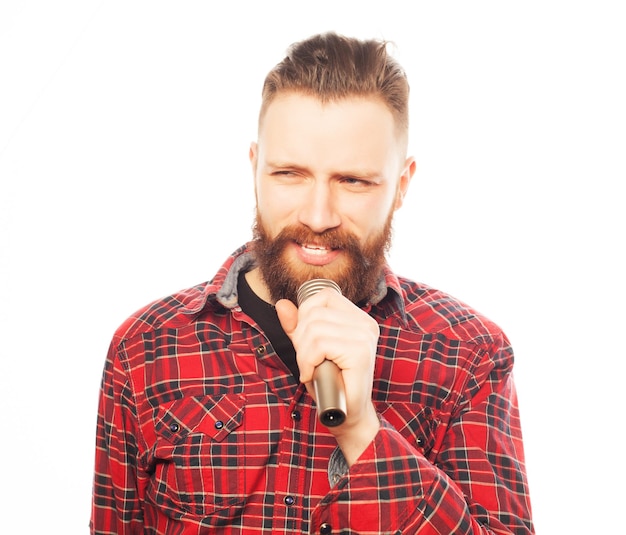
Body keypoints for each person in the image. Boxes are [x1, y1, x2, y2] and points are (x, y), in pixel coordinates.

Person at [91, 32, 534, 534]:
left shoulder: (470, 355)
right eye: (289, 174)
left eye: (353, 181)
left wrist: (363, 429)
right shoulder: (146, 347)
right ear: (255, 167)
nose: (318, 215)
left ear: (402, 186)